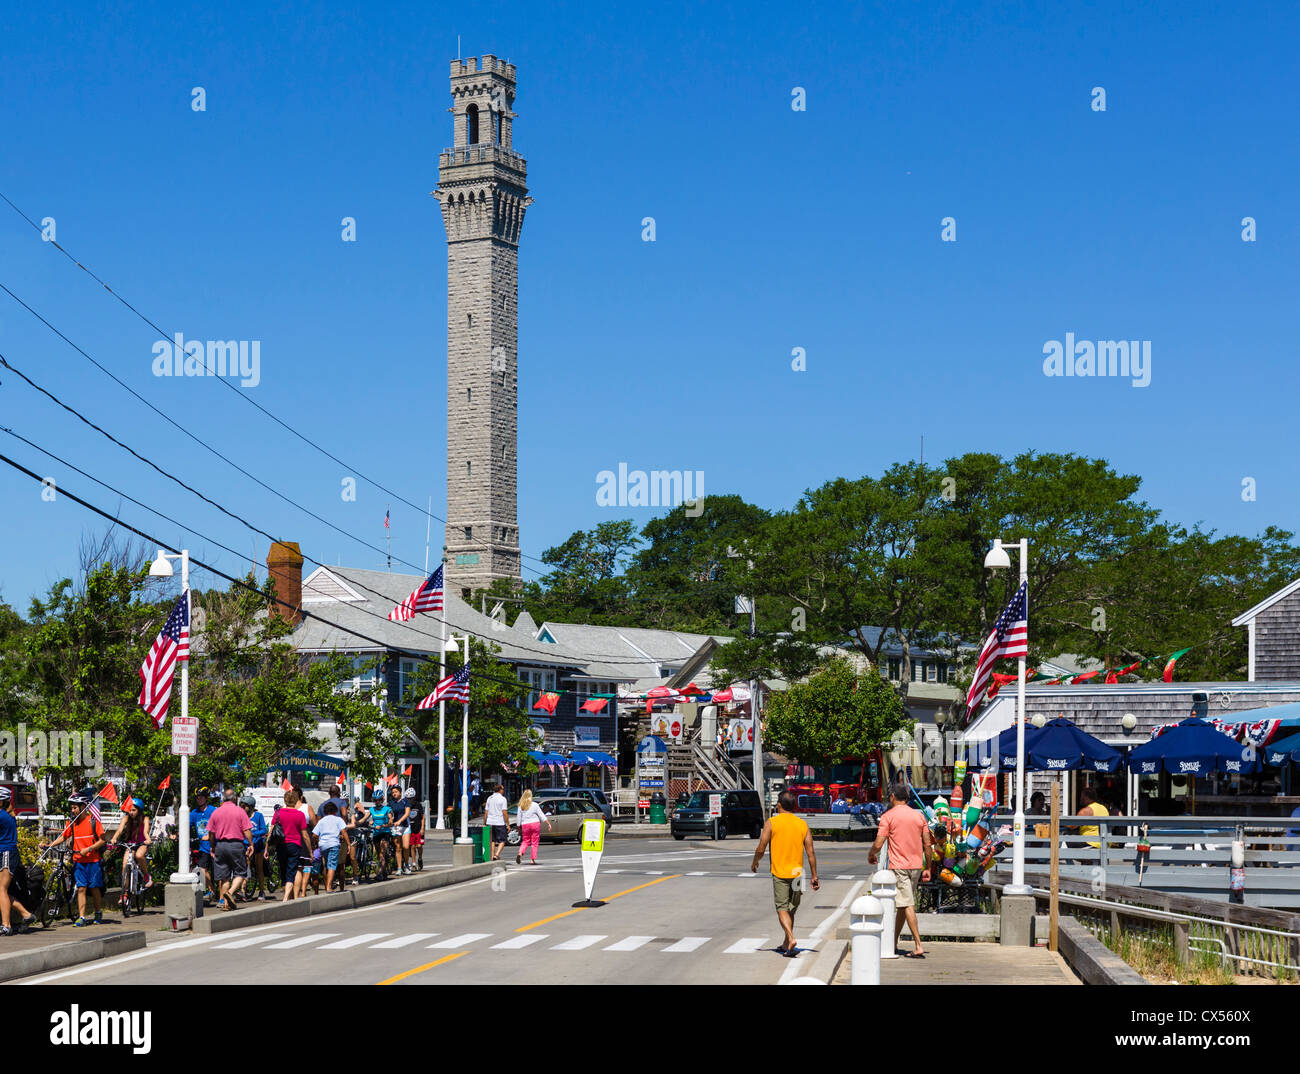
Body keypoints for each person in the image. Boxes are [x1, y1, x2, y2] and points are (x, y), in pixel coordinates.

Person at [751, 788, 819, 957]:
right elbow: (810, 852)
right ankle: (786, 943)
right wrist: (814, 875)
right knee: (791, 910)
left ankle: (791, 937)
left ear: (779, 805)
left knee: (782, 908)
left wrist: (755, 862)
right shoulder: (802, 824)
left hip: (780, 873)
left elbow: (761, 847)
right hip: (798, 873)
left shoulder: (772, 823)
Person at [869, 779, 933, 959]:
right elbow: (927, 845)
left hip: (899, 867)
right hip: (916, 866)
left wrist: (871, 854)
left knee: (907, 904)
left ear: (892, 796)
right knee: (903, 905)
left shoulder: (888, 816)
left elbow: (879, 842)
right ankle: (893, 941)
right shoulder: (919, 816)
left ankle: (918, 945)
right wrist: (927, 866)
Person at [42, 792, 107, 926]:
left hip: (93, 861)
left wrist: (88, 849)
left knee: (94, 888)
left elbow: (102, 841)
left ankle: (98, 912)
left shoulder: (93, 821)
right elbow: (63, 837)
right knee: (81, 888)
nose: (72, 810)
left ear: (83, 807)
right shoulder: (72, 823)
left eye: (75, 807)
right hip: (78, 861)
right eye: (71, 808)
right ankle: (82, 917)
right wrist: (49, 846)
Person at [207, 790, 252, 910]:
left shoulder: (216, 812)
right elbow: (247, 830)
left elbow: (211, 832)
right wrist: (251, 844)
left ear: (223, 798)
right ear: (235, 798)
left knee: (224, 877)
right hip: (236, 845)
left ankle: (226, 904)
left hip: (221, 845)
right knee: (241, 873)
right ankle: (230, 892)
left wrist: (212, 846)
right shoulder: (240, 811)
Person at [0, 786, 36, 936]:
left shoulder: (2, 815)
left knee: (1, 889)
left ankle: (6, 925)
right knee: (2, 890)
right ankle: (26, 914)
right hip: (6, 852)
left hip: (7, 853)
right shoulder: (7, 815)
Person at [108, 796, 153, 905]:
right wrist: (114, 838)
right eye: (130, 810)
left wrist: (148, 839)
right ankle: (125, 894)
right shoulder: (126, 818)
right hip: (130, 844)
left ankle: (147, 876)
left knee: (139, 855)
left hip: (142, 843)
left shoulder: (145, 818)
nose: (131, 812)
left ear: (139, 810)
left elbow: (146, 831)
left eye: (134, 810)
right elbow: (119, 830)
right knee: (125, 866)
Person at [272, 787, 311, 901]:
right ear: (296, 800)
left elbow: (272, 830)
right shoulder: (299, 815)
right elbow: (304, 835)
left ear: (285, 801)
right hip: (294, 845)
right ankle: (286, 898)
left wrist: (266, 848)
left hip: (281, 845)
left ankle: (287, 896)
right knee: (292, 872)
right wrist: (309, 851)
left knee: (283, 871)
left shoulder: (278, 813)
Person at [313, 801, 349, 893]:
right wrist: (348, 844)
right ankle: (329, 887)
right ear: (335, 811)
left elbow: (314, 835)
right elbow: (344, 832)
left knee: (326, 865)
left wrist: (316, 842)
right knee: (332, 865)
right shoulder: (338, 820)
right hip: (333, 844)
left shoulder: (321, 821)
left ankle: (326, 886)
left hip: (323, 845)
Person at [190, 787, 217, 902]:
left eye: (201, 797)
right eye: (197, 797)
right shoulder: (194, 813)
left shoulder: (213, 810)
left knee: (218, 873)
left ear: (206, 798)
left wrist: (211, 836)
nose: (199, 799)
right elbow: (186, 825)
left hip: (215, 845)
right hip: (203, 847)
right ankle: (211, 891)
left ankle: (221, 895)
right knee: (202, 870)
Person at [241, 795, 270, 901]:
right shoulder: (241, 816)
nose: (243, 809)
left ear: (251, 806)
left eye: (245, 806)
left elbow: (263, 830)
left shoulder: (258, 816)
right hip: (245, 845)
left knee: (259, 868)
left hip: (258, 845)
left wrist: (252, 834)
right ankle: (243, 891)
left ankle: (262, 891)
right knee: (245, 868)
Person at [514, 789, 552, 865]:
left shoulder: (521, 806)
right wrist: (548, 823)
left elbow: (518, 818)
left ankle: (520, 853)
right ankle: (532, 859)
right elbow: (541, 815)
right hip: (535, 824)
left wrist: (518, 828)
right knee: (534, 843)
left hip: (525, 825)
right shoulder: (534, 805)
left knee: (525, 841)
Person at [1074, 786, 1110, 855]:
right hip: (1104, 843)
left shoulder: (1087, 810)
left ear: (1086, 797)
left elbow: (1072, 825)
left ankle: (1085, 861)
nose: (1080, 799)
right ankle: (1087, 862)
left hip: (1090, 843)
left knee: (1064, 841)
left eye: (1082, 796)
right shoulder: (1103, 808)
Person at [484, 783, 510, 861]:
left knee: (492, 840)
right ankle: (497, 854)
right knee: (502, 840)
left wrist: (485, 822)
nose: (503, 791)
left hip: (490, 822)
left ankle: (492, 856)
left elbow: (486, 812)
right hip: (499, 822)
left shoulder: (489, 798)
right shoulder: (503, 799)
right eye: (503, 789)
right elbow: (504, 812)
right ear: (500, 790)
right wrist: (507, 824)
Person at [388, 785, 410, 874]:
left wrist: (400, 821)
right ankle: (399, 868)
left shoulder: (405, 801)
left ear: (400, 792)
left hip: (405, 826)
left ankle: (407, 864)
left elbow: (407, 813)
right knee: (398, 848)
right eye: (393, 792)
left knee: (406, 847)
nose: (394, 794)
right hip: (396, 827)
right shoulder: (391, 803)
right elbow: (388, 812)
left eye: (396, 792)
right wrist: (390, 818)